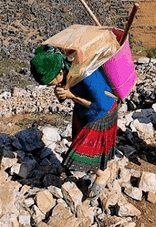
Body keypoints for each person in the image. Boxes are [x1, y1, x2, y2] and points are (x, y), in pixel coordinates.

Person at [30, 44, 118, 201]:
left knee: (86, 151)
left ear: (60, 71)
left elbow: (102, 104)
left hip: (102, 112)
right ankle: (95, 170)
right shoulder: (64, 70)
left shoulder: (86, 74)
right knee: (86, 148)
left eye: (51, 82)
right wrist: (61, 93)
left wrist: (71, 96)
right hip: (84, 111)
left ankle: (103, 175)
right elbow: (65, 92)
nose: (52, 85)